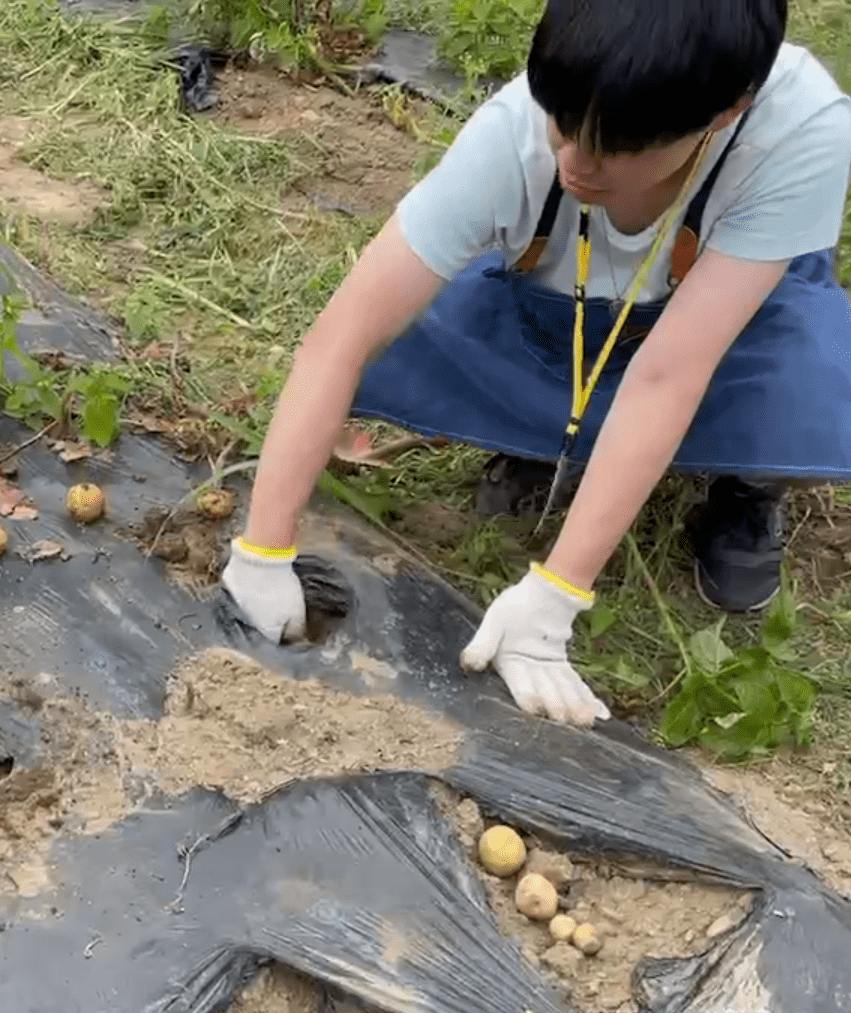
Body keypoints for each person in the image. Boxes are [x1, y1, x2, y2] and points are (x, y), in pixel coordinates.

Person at [223, 0, 851, 726]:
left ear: (725, 113)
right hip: (563, 313)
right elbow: (343, 334)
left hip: (716, 322)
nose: (574, 161)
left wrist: (557, 594)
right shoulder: (517, 130)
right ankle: (545, 443)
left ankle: (743, 490)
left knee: (807, 389)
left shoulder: (798, 133)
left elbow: (668, 374)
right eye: (562, 121)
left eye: (614, 147)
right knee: (416, 332)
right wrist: (263, 548)